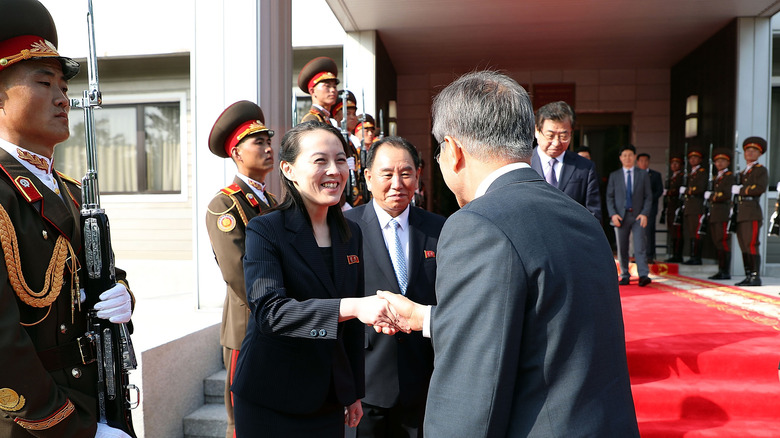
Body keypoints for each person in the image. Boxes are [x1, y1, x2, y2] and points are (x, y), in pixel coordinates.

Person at [378, 71, 638, 437]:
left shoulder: (477, 224)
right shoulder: (580, 217)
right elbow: (545, 323)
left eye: (437, 151)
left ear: (452, 151)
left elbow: (470, 394)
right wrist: (431, 319)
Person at [0, 1, 134, 436]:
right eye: (44, 82)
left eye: (63, 84)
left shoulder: (73, 191)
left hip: (98, 395)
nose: (63, 97)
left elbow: (101, 275)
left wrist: (124, 295)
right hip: (36, 419)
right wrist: (76, 429)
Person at [230, 122, 404, 437]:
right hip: (272, 396)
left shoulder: (350, 233)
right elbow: (271, 312)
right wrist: (352, 306)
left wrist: (353, 390)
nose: (334, 170)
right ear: (289, 169)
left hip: (328, 396)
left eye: (340, 160)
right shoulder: (266, 229)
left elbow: (351, 328)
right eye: (320, 160)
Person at [344, 137, 445, 438]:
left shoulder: (439, 228)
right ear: (368, 177)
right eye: (387, 174)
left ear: (418, 176)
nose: (397, 183)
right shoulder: (346, 228)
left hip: (424, 379)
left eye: (406, 173)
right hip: (366, 382)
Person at [205, 101, 278, 438]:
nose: (268, 148)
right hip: (249, 322)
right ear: (236, 152)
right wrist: (280, 306)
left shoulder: (273, 202)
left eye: (268, 141)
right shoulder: (225, 204)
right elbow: (237, 272)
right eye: (258, 142)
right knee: (243, 420)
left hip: (278, 318)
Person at [530, 101, 601, 222]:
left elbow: (593, 215)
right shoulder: (522, 163)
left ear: (571, 132)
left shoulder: (584, 167)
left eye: (563, 136)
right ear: (537, 131)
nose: (556, 143)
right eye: (550, 135)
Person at [606, 145, 653, 287]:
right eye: (624, 155)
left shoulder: (643, 174)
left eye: (630, 155)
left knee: (640, 246)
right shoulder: (614, 176)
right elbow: (609, 197)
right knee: (622, 247)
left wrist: (644, 213)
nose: (627, 158)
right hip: (620, 216)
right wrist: (613, 214)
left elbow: (648, 197)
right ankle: (624, 274)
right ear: (620, 158)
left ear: (634, 157)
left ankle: (643, 275)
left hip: (638, 215)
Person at [733, 137, 768, 286]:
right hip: (740, 212)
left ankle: (755, 277)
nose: (750, 153)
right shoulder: (742, 172)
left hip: (751, 211)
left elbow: (760, 188)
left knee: (752, 243)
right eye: (748, 150)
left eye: (754, 151)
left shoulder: (760, 170)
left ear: (759, 154)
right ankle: (748, 275)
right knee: (743, 245)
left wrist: (741, 190)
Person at [705, 149, 734, 280]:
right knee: (717, 242)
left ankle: (725, 271)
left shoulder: (729, 176)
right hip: (715, 213)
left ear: (728, 162)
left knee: (723, 242)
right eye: (717, 161)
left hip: (723, 213)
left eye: (722, 161)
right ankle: (720, 269)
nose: (719, 163)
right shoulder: (717, 177)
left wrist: (711, 196)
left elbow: (726, 194)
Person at [680, 148, 707, 265]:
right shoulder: (691, 173)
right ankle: (692, 255)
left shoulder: (702, 172)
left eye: (695, 158)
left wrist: (686, 190)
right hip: (689, 206)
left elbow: (700, 188)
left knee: (696, 232)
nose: (692, 160)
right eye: (691, 158)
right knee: (691, 232)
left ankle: (696, 257)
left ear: (700, 159)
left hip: (697, 206)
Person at [636, 152, 664, 262]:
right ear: (637, 162)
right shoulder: (634, 174)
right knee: (638, 232)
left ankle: (649, 255)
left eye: (645, 160)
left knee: (649, 231)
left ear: (649, 162)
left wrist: (649, 199)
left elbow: (659, 191)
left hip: (650, 208)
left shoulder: (655, 175)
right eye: (641, 161)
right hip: (636, 208)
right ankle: (638, 255)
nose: (643, 163)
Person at [298, 56, 340, 125]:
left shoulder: (326, 119)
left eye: (334, 87)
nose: (333, 90)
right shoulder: (312, 119)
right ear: (312, 91)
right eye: (327, 86)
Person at [664, 156, 685, 262]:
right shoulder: (673, 177)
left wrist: (669, 192)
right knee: (672, 231)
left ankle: (678, 255)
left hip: (678, 207)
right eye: (672, 163)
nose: (674, 166)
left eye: (677, 163)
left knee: (677, 232)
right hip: (671, 207)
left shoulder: (681, 176)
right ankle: (674, 254)